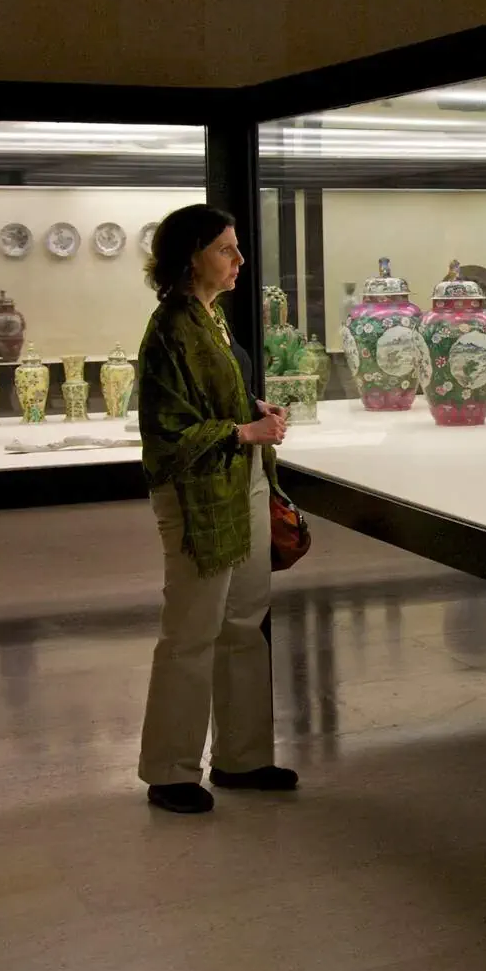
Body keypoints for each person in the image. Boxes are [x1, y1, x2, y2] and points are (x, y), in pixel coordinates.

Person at [135, 204, 294, 814]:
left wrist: (254, 410)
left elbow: (218, 395)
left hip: (240, 480)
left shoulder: (212, 318)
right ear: (190, 257)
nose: (239, 260)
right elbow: (167, 433)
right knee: (192, 629)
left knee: (244, 620)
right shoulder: (170, 328)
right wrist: (243, 433)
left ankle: (243, 757)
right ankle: (170, 770)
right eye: (226, 249)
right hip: (197, 493)